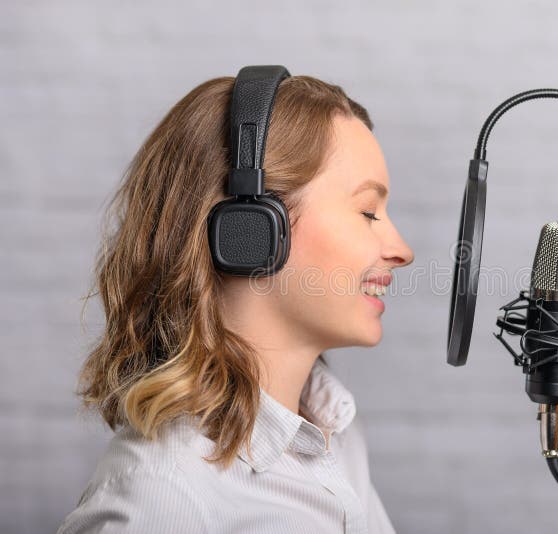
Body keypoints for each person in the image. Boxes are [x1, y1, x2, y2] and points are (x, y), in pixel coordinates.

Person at [58, 71, 414, 533]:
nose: (402, 249)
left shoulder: (335, 434)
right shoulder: (162, 497)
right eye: (368, 212)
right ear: (250, 230)